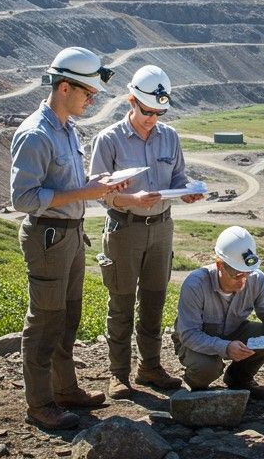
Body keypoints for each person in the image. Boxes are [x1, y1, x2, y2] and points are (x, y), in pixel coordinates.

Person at [10, 46, 130, 431]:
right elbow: (23, 198)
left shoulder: (67, 129)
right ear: (64, 87)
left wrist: (98, 185)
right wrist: (84, 194)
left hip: (70, 236)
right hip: (48, 238)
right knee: (45, 321)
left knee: (68, 317)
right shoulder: (35, 134)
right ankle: (40, 403)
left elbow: (69, 185)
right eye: (87, 92)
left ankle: (65, 390)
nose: (91, 99)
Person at [89, 64, 203, 397]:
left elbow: (178, 176)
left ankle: (150, 368)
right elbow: (98, 192)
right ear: (131, 102)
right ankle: (118, 374)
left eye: (158, 112)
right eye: (146, 111)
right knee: (121, 303)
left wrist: (187, 190)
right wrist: (131, 199)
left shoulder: (170, 137)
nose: (152, 118)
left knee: (154, 301)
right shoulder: (108, 140)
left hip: (162, 228)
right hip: (125, 229)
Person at [173, 226, 264, 400]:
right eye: (237, 274)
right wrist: (225, 348)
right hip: (197, 339)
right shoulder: (195, 284)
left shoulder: (256, 279)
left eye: (247, 274)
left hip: (234, 331)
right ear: (220, 265)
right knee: (207, 369)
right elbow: (189, 334)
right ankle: (194, 383)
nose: (244, 280)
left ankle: (239, 379)